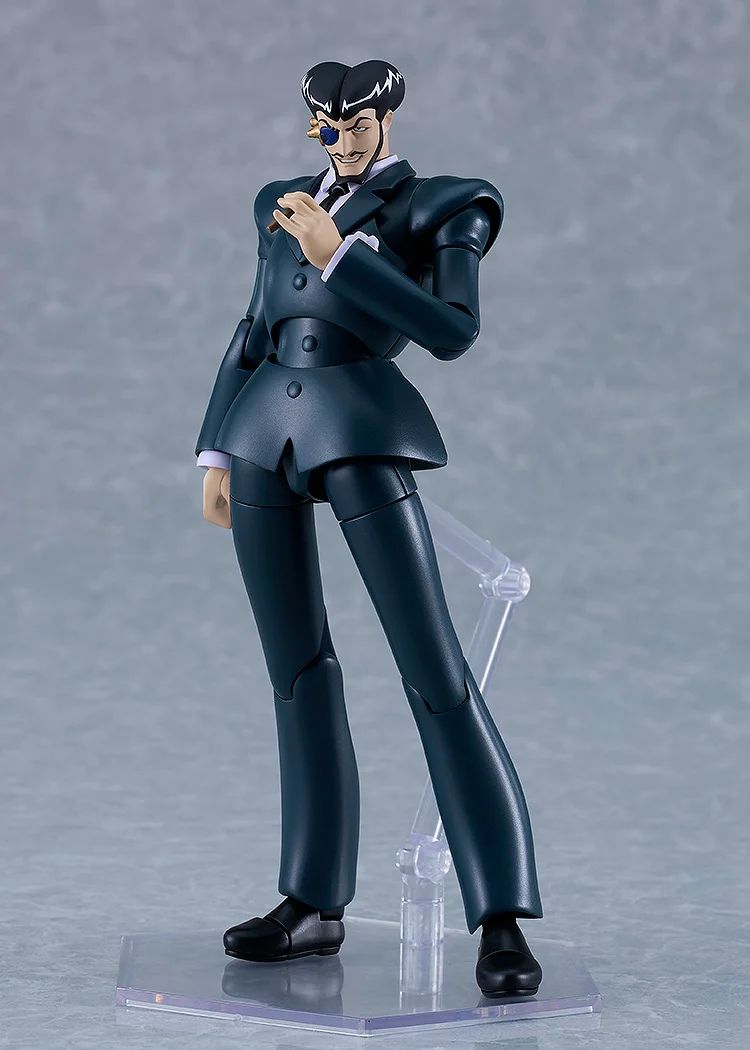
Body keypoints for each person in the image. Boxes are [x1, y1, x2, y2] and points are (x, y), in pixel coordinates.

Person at [196, 59, 543, 997]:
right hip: (263, 431)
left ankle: (500, 914)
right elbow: (253, 327)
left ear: (387, 118)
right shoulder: (280, 200)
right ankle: (312, 899)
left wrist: (340, 253)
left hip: (359, 428)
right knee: (297, 670)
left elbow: (452, 330)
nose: (341, 139)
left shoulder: (444, 205)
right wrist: (214, 449)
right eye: (327, 124)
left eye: (355, 124)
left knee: (433, 667)